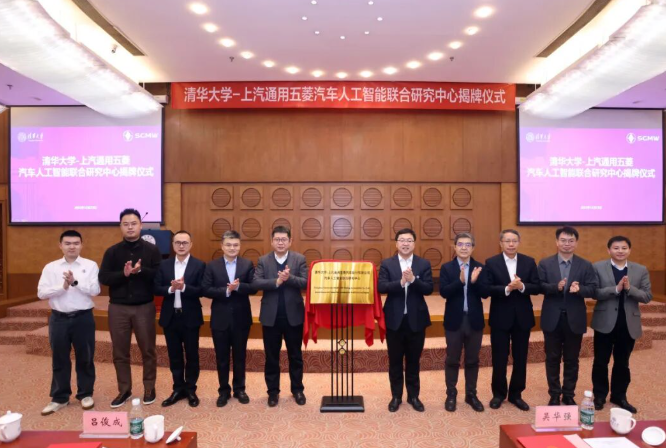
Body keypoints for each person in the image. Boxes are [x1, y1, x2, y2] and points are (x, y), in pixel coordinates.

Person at [99, 208, 162, 408]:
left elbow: (159, 275)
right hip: (118, 308)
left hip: (144, 307)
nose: (130, 227)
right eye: (125, 224)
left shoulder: (151, 250)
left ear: (141, 225)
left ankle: (149, 388)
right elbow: (104, 277)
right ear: (120, 227)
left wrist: (141, 270)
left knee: (148, 350)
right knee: (120, 352)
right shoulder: (112, 251)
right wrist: (123, 274)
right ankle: (124, 390)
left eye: (134, 223)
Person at [37, 230, 100, 415]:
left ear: (81, 245)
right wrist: (62, 287)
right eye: (68, 243)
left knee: (86, 357)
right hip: (59, 319)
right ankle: (60, 397)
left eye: (76, 243)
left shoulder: (90, 265)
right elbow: (41, 293)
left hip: (83, 318)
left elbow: (95, 290)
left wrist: (75, 282)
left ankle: (85, 394)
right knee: (59, 358)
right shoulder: (51, 267)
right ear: (60, 245)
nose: (72, 246)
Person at [591, 236, 652, 413]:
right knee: (600, 361)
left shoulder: (640, 270)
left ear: (629, 250)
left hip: (628, 323)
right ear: (609, 250)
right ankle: (599, 396)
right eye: (616, 248)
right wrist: (616, 289)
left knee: (622, 362)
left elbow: (647, 296)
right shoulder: (597, 267)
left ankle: (619, 396)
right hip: (604, 322)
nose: (620, 251)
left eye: (624, 248)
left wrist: (629, 289)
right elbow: (594, 292)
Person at [538, 226, 597, 406]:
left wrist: (580, 289)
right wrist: (555, 287)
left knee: (572, 359)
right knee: (552, 358)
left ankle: (569, 394)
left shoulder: (585, 265)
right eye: (563, 240)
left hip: (575, 318)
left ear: (576, 243)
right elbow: (538, 286)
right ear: (557, 242)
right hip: (552, 318)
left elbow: (593, 289)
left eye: (571, 241)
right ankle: (554, 394)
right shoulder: (545, 263)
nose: (567, 244)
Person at [252, 226, 308, 407]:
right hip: (271, 317)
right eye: (277, 239)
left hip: (294, 315)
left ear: (290, 241)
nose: (281, 242)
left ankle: (297, 389)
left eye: (284, 239)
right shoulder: (263, 260)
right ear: (271, 241)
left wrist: (289, 278)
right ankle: (273, 392)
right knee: (271, 357)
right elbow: (256, 282)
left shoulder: (299, 259)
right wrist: (276, 281)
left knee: (295, 356)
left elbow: (306, 282)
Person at [485, 229, 541, 411]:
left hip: (522, 317)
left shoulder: (528, 261)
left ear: (519, 242)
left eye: (514, 241)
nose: (511, 244)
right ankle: (498, 394)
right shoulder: (491, 262)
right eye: (507, 241)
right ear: (500, 243)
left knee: (520, 358)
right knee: (499, 358)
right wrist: (507, 288)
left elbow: (537, 286)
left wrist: (522, 286)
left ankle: (516, 394)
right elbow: (487, 289)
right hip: (500, 317)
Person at [378, 229, 433, 413]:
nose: (405, 243)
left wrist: (413, 280)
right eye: (402, 240)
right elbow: (381, 287)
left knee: (413, 361)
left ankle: (413, 396)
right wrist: (401, 282)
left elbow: (428, 289)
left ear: (414, 244)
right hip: (394, 320)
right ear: (396, 244)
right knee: (394, 361)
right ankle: (396, 396)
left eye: (409, 240)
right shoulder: (388, 263)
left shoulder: (423, 263)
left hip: (416, 320)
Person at [202, 230, 257, 407]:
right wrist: (226, 291)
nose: (232, 248)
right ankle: (223, 391)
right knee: (222, 357)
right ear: (222, 246)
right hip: (220, 318)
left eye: (235, 245)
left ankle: (240, 389)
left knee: (240, 356)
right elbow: (206, 289)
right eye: (228, 245)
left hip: (241, 318)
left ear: (240, 246)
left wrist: (238, 287)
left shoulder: (247, 264)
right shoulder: (212, 266)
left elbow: (254, 288)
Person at [154, 230, 206, 408]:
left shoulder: (199, 265)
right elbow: (156, 288)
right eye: (178, 242)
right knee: (174, 355)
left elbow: (202, 290)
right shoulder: (164, 265)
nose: (181, 246)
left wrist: (183, 288)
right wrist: (171, 289)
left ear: (191, 244)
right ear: (173, 245)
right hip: (170, 317)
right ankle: (177, 388)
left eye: (185, 242)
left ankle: (190, 389)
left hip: (190, 316)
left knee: (192, 355)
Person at [439, 232, 487, 413]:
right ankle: (451, 394)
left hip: (474, 320)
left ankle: (471, 394)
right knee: (452, 359)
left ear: (473, 248)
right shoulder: (447, 268)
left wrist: (474, 282)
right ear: (455, 247)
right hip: (454, 321)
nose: (464, 248)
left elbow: (485, 293)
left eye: (468, 244)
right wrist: (460, 282)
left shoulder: (480, 267)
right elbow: (444, 292)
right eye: (460, 244)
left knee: (472, 359)